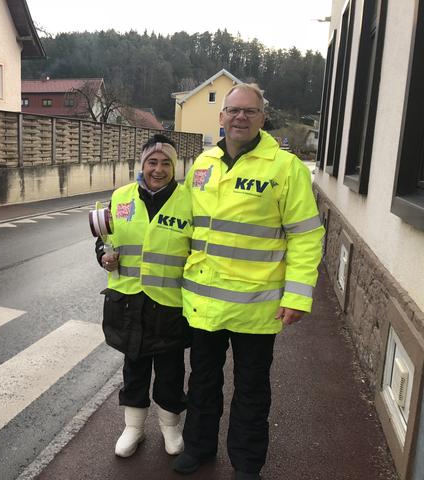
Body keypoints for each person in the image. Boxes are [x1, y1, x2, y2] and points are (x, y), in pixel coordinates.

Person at [171, 84, 324, 480]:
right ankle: (200, 448)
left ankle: (247, 462)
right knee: (202, 381)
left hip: (256, 307)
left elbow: (306, 236)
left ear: (262, 117)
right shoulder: (202, 163)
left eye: (249, 111)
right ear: (220, 117)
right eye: (233, 111)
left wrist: (299, 296)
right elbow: (182, 225)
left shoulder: (284, 167)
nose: (240, 117)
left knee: (252, 389)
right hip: (204, 302)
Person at [96, 133, 192, 458]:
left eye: (166, 163)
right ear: (142, 164)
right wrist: (103, 256)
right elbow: (104, 240)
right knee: (134, 368)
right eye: (152, 162)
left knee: (170, 370)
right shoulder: (121, 197)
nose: (158, 169)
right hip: (128, 302)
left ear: (174, 167)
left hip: (170, 304)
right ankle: (133, 428)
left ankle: (170, 427)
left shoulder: (189, 201)